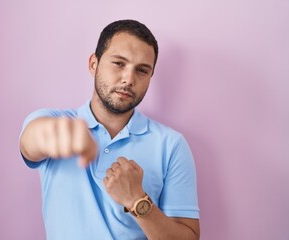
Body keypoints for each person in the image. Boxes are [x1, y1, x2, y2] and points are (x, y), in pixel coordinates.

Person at [19, 19, 200, 240]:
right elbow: (31, 141)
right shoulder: (53, 120)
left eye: (142, 70)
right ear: (93, 64)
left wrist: (138, 202)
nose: (129, 79)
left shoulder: (171, 145)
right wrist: (58, 135)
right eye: (119, 63)